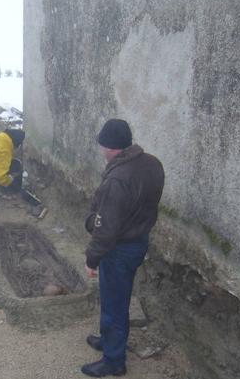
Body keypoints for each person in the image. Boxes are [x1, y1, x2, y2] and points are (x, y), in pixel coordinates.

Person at [81, 119, 164, 377]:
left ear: (110, 147)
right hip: (138, 240)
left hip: (119, 248)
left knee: (114, 302)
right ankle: (109, 341)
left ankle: (114, 361)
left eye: (102, 146)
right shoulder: (151, 163)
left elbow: (106, 229)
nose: (101, 151)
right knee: (115, 298)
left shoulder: (118, 178)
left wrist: (92, 259)